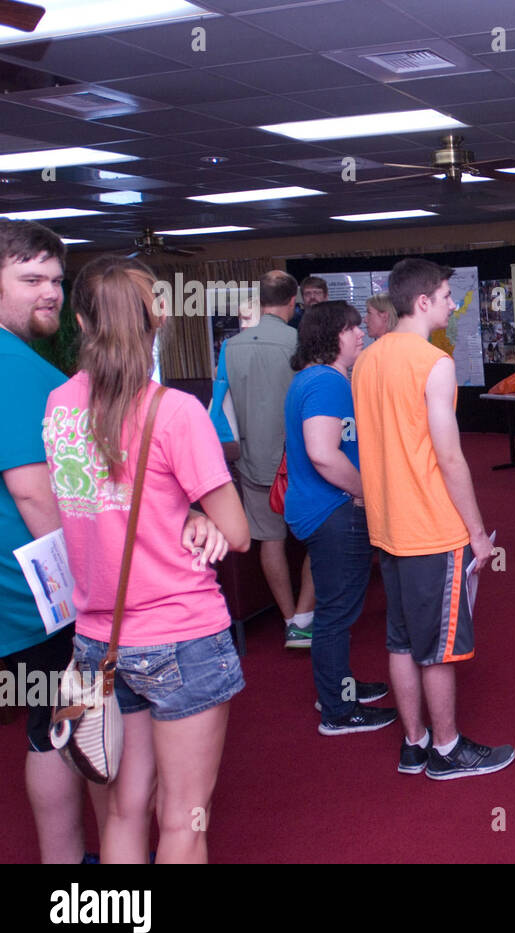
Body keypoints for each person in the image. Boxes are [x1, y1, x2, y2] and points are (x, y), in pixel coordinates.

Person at [44, 255, 250, 863]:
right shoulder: (174, 411)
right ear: (156, 321)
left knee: (124, 810)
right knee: (185, 818)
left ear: (80, 321)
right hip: (180, 634)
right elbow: (237, 532)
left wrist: (182, 511)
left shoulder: (58, 406)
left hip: (97, 641)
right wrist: (197, 514)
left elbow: (107, 505)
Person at [352, 257, 514, 780]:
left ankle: (414, 742)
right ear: (422, 302)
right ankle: (445, 750)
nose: (451, 303)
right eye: (446, 295)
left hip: (389, 526)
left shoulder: (367, 359)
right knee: (438, 648)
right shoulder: (433, 363)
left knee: (401, 640)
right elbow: (449, 457)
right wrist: (475, 532)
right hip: (429, 527)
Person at [0, 220, 103, 863]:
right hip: (36, 603)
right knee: (60, 732)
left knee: (51, 730)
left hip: (22, 603)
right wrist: (90, 588)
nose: (50, 294)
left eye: (56, 281)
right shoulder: (12, 366)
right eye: (30, 278)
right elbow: (36, 493)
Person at [284, 301, 396, 735]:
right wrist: (369, 494)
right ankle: (337, 709)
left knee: (337, 610)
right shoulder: (328, 382)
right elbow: (322, 453)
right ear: (333, 336)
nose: (360, 334)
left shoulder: (311, 379)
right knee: (335, 615)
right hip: (334, 512)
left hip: (321, 509)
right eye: (352, 329)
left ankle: (339, 688)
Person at [223, 270, 316, 648]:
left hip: (252, 460)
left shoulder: (230, 347)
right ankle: (307, 619)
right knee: (316, 541)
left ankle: (289, 617)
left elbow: (224, 410)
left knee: (270, 540)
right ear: (293, 302)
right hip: (301, 459)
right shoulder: (302, 344)